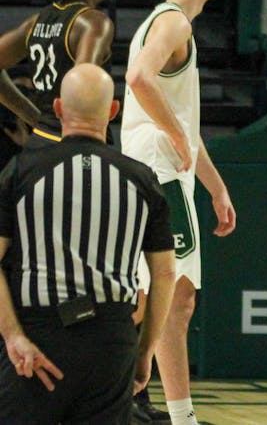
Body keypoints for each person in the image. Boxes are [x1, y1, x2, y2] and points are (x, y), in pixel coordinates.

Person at [0, 65, 175, 423]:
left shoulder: (21, 172)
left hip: (39, 334)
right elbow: (166, 274)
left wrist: (13, 336)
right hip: (111, 339)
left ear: (59, 109)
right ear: (113, 111)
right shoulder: (142, 180)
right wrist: (145, 350)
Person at [122, 0, 238, 425]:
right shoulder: (172, 23)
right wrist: (172, 131)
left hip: (155, 165)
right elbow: (139, 79)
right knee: (178, 297)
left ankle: (125, 401)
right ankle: (179, 415)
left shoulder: (165, 20)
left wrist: (216, 187)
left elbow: (185, 126)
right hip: (159, 168)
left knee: (149, 295)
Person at [0, 0, 114, 144]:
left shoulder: (36, 22)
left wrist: (33, 116)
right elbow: (83, 83)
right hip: (78, 143)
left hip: (41, 140)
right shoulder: (94, 22)